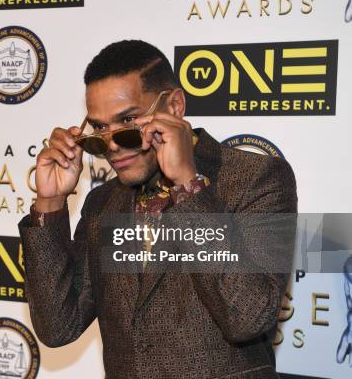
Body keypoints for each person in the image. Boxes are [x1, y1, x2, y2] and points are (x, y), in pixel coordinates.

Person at [18, 40, 297, 378]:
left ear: (175, 105)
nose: (112, 146)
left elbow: (247, 317)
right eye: (100, 129)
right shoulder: (104, 203)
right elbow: (58, 326)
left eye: (129, 120)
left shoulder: (255, 179)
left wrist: (188, 186)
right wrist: (50, 202)